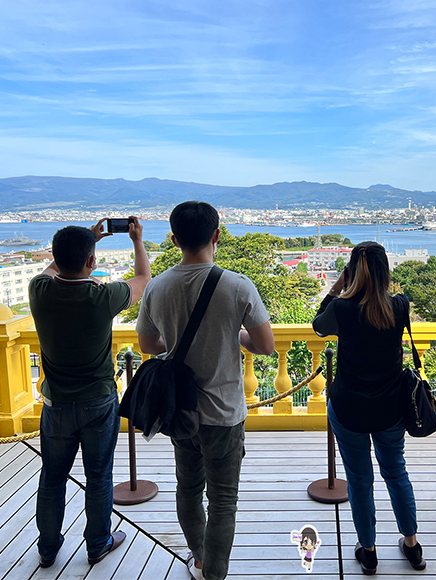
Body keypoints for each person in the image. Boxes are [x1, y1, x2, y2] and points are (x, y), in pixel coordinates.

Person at [135, 201, 274, 580]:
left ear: (175, 238)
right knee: (223, 500)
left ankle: (198, 557)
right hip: (225, 412)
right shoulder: (237, 286)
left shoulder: (158, 286)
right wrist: (236, 335)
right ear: (217, 236)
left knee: (188, 488)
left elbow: (148, 345)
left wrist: (176, 338)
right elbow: (265, 346)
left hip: (180, 409)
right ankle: (215, 573)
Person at [30, 217, 151, 567]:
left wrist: (88, 240)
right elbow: (143, 279)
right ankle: (98, 542)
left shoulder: (39, 290)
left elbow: (54, 267)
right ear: (92, 261)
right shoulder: (102, 296)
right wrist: (137, 240)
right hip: (98, 400)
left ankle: (48, 547)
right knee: (99, 475)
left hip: (56, 403)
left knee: (52, 476)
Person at [312, 241, 425, 575]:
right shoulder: (399, 306)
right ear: (385, 271)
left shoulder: (343, 310)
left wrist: (337, 287)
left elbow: (319, 326)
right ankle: (412, 544)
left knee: (360, 481)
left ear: (351, 272)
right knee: (396, 473)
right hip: (391, 407)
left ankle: (369, 551)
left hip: (349, 408)